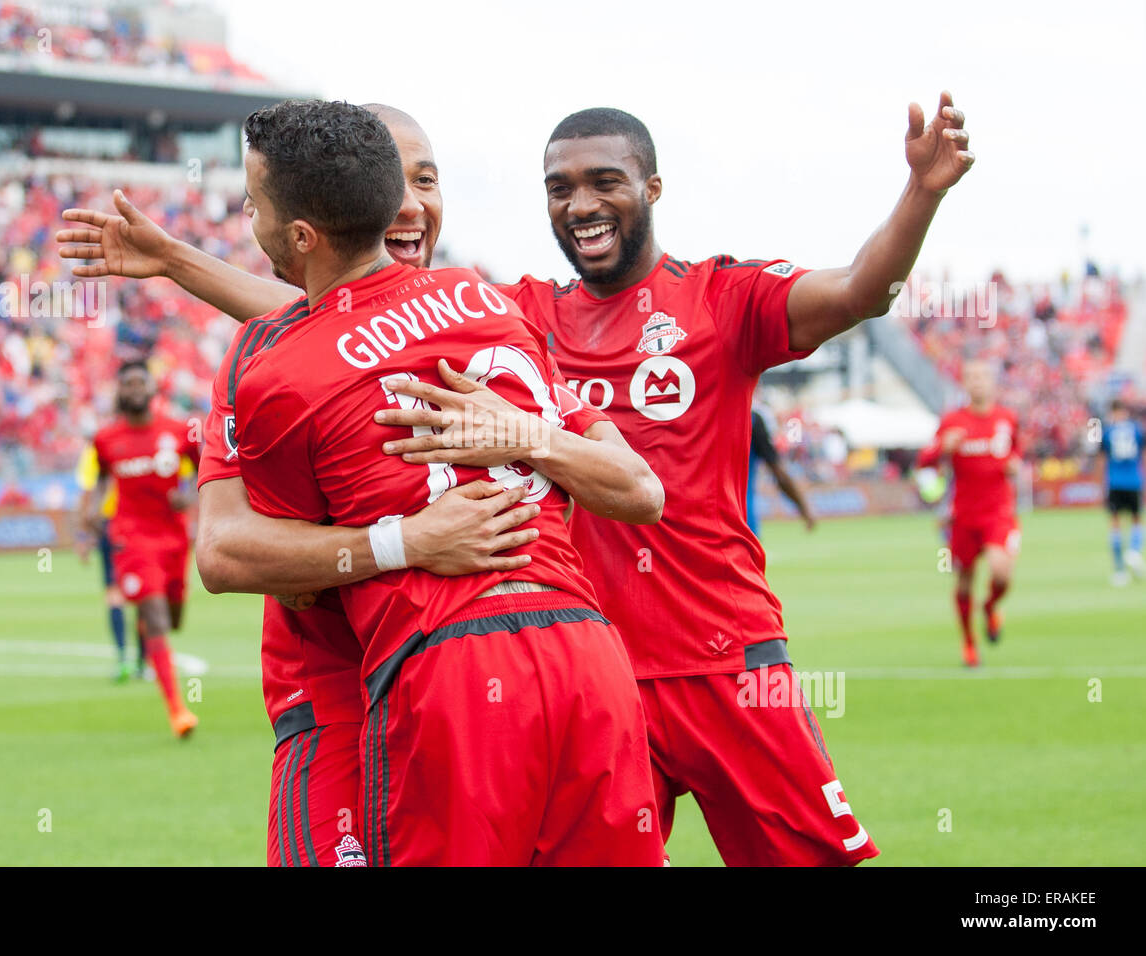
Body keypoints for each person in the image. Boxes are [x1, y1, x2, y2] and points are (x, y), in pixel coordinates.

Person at [58, 91, 973, 865]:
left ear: (652, 188)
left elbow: (857, 293)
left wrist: (921, 198)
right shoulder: (505, 309)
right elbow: (333, 324)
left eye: (605, 182)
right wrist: (180, 264)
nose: (583, 203)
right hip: (547, 660)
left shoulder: (709, 299)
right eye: (560, 187)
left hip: (707, 654)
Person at [231, 99, 665, 866]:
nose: (249, 216)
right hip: (587, 653)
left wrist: (398, 542)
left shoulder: (280, 373)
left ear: (300, 233)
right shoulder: (488, 306)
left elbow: (265, 569)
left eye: (254, 203)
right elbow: (640, 491)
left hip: (447, 665)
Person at [88, 360, 201, 737]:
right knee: (154, 616)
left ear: (153, 389)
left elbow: (207, 470)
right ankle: (177, 711)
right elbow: (100, 481)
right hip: (131, 539)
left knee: (172, 619)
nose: (135, 388)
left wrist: (188, 494)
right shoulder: (105, 439)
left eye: (141, 381)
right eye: (128, 383)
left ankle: (146, 625)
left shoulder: (178, 431)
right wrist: (89, 517)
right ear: (120, 392)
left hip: (173, 538)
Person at [916, 359, 1020, 666]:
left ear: (991, 382)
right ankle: (970, 643)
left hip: (999, 512)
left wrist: (1014, 463)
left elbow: (1016, 453)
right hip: (963, 515)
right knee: (964, 581)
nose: (977, 382)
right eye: (971, 377)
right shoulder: (952, 422)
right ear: (964, 382)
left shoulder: (1007, 419)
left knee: (1001, 574)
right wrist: (941, 449)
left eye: (982, 376)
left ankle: (989, 608)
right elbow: (924, 462)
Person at [74, 436, 134, 681]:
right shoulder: (140, 441)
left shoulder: (98, 446)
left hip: (111, 525)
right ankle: (143, 661)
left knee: (114, 592)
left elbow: (87, 492)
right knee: (144, 592)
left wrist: (83, 534)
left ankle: (122, 660)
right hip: (139, 523)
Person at [747, 406, 816, 537]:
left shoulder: (702, 411)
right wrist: (804, 508)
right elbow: (778, 472)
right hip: (740, 521)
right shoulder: (752, 419)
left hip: (702, 521)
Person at [1100, 399, 1144, 585]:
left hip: (1115, 481)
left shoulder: (1108, 431)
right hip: (1134, 481)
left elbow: (1102, 458)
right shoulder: (1136, 429)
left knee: (1115, 523)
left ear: (1113, 412)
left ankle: (1120, 571)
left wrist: (1102, 483)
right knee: (1136, 518)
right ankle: (1134, 551)